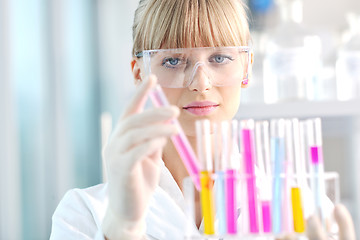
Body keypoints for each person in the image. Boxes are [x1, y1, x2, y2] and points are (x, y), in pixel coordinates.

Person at [50, 0, 356, 239]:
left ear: (246, 67)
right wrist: (121, 230)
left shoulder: (303, 209)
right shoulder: (85, 214)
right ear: (139, 72)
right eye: (173, 60)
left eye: (219, 58)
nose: (200, 83)